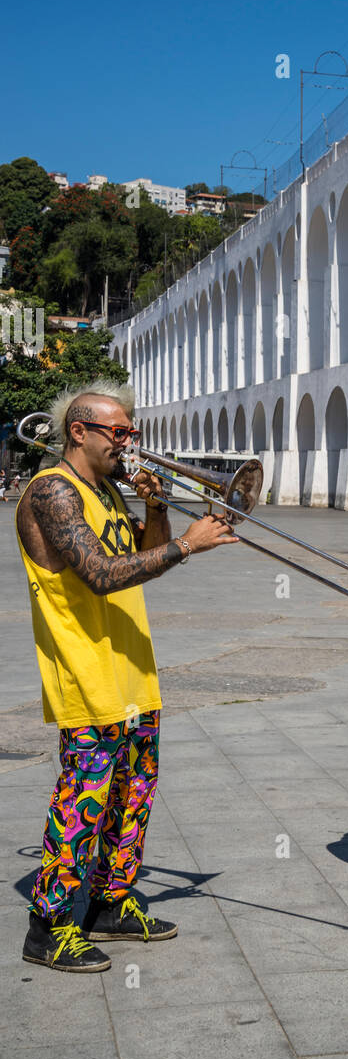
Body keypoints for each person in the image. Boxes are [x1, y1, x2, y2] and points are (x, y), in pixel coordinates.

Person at [15, 379, 238, 972]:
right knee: (82, 799)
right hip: (85, 673)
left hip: (132, 670)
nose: (129, 441)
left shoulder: (109, 490)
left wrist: (158, 508)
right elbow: (99, 574)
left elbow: (146, 559)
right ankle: (49, 924)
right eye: (119, 432)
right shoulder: (53, 492)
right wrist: (187, 547)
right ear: (79, 431)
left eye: (132, 431)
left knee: (134, 793)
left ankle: (110, 902)